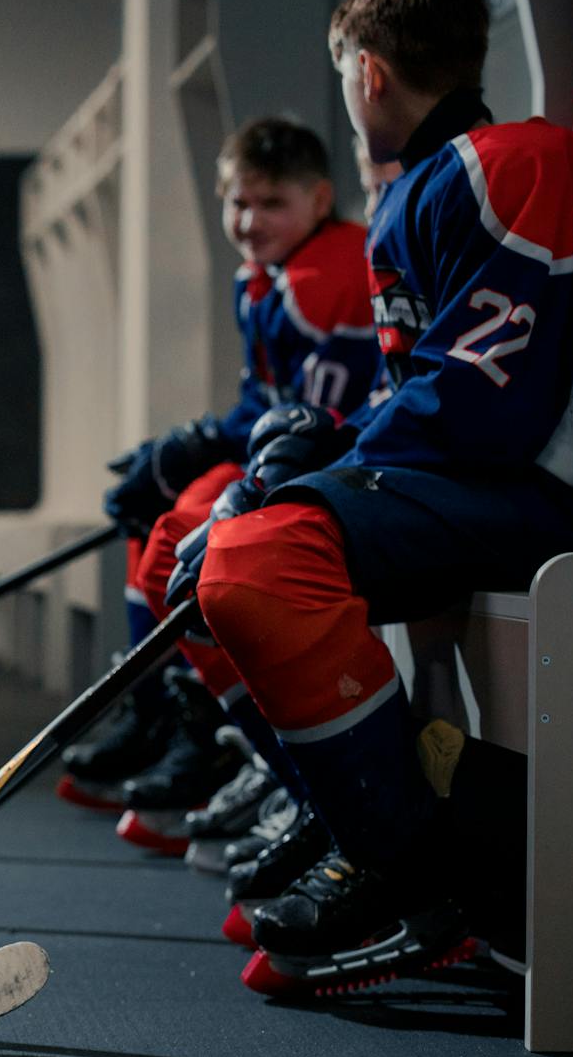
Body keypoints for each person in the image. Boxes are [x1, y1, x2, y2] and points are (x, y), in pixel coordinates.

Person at [168, 0, 573, 993]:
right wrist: (330, 443)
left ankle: (406, 871)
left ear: (364, 74)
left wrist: (333, 456)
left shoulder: (511, 163)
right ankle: (353, 813)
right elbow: (446, 390)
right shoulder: (447, 176)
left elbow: (486, 400)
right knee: (205, 563)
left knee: (252, 559)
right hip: (499, 479)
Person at [84, 118, 380, 852]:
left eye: (270, 203)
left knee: (180, 539)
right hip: (284, 451)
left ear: (319, 199)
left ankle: (247, 745)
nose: (249, 223)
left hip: (336, 470)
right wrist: (186, 443)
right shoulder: (264, 279)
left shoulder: (328, 276)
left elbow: (319, 422)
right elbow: (264, 405)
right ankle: (164, 708)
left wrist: (208, 446)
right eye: (238, 204)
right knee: (156, 511)